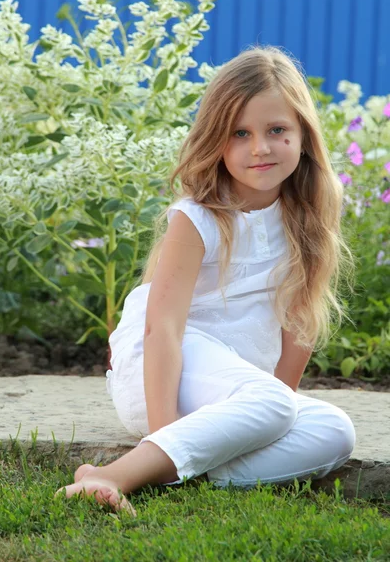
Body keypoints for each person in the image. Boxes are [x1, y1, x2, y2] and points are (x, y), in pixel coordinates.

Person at [55, 45, 356, 514]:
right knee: (273, 404)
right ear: (216, 140)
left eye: (277, 130)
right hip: (162, 377)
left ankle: (171, 470)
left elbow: (300, 323)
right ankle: (114, 476)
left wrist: (269, 416)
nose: (260, 147)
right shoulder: (198, 219)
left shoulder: (311, 213)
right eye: (240, 133)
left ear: (303, 136)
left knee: (335, 431)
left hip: (236, 399)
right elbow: (163, 331)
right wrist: (163, 429)